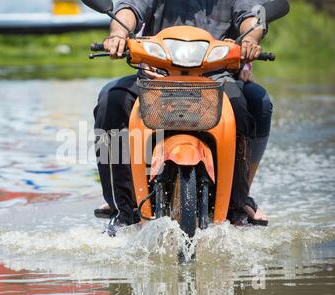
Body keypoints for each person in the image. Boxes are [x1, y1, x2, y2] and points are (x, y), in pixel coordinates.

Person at [94, 0, 272, 236]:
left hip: (216, 78)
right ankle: (123, 208)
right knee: (111, 100)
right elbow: (130, 8)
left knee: (246, 105)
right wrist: (118, 33)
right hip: (154, 76)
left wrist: (250, 39)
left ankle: (236, 205)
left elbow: (251, 15)